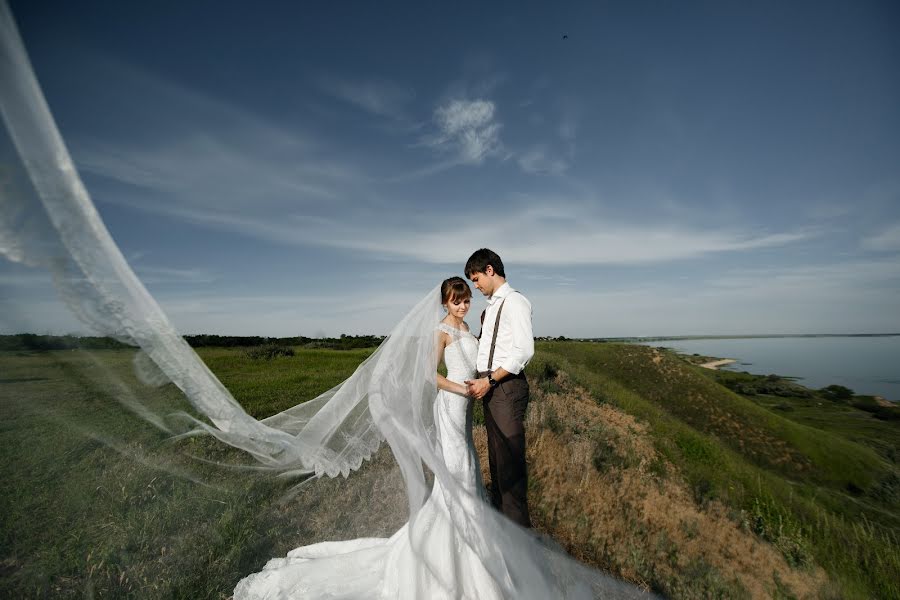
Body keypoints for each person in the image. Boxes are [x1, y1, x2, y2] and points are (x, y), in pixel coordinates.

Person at [232, 276, 504, 599]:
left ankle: (470, 543)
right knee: (458, 470)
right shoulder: (441, 331)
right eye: (456, 301)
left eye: (466, 300)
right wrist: (463, 388)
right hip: (452, 404)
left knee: (467, 468)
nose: (462, 305)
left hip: (465, 408)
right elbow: (429, 375)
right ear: (445, 303)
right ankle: (452, 547)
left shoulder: (468, 329)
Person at [464, 249, 534, 528]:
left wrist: (490, 380)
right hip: (490, 388)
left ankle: (521, 541)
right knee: (497, 461)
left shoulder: (515, 302)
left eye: (476, 278)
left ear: (490, 270)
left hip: (505, 387)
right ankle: (503, 532)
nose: (475, 285)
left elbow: (523, 351)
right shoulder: (490, 308)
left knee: (510, 467)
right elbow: (486, 349)